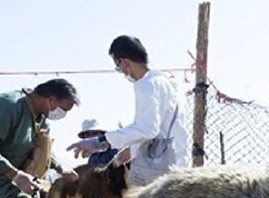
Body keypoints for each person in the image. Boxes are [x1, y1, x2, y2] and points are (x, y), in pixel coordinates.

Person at [67, 35, 189, 186]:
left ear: (124, 62)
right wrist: (132, 150)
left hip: (158, 167)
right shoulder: (167, 83)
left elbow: (146, 129)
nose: (121, 71)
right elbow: (160, 128)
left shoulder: (146, 85)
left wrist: (99, 142)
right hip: (176, 161)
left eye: (118, 66)